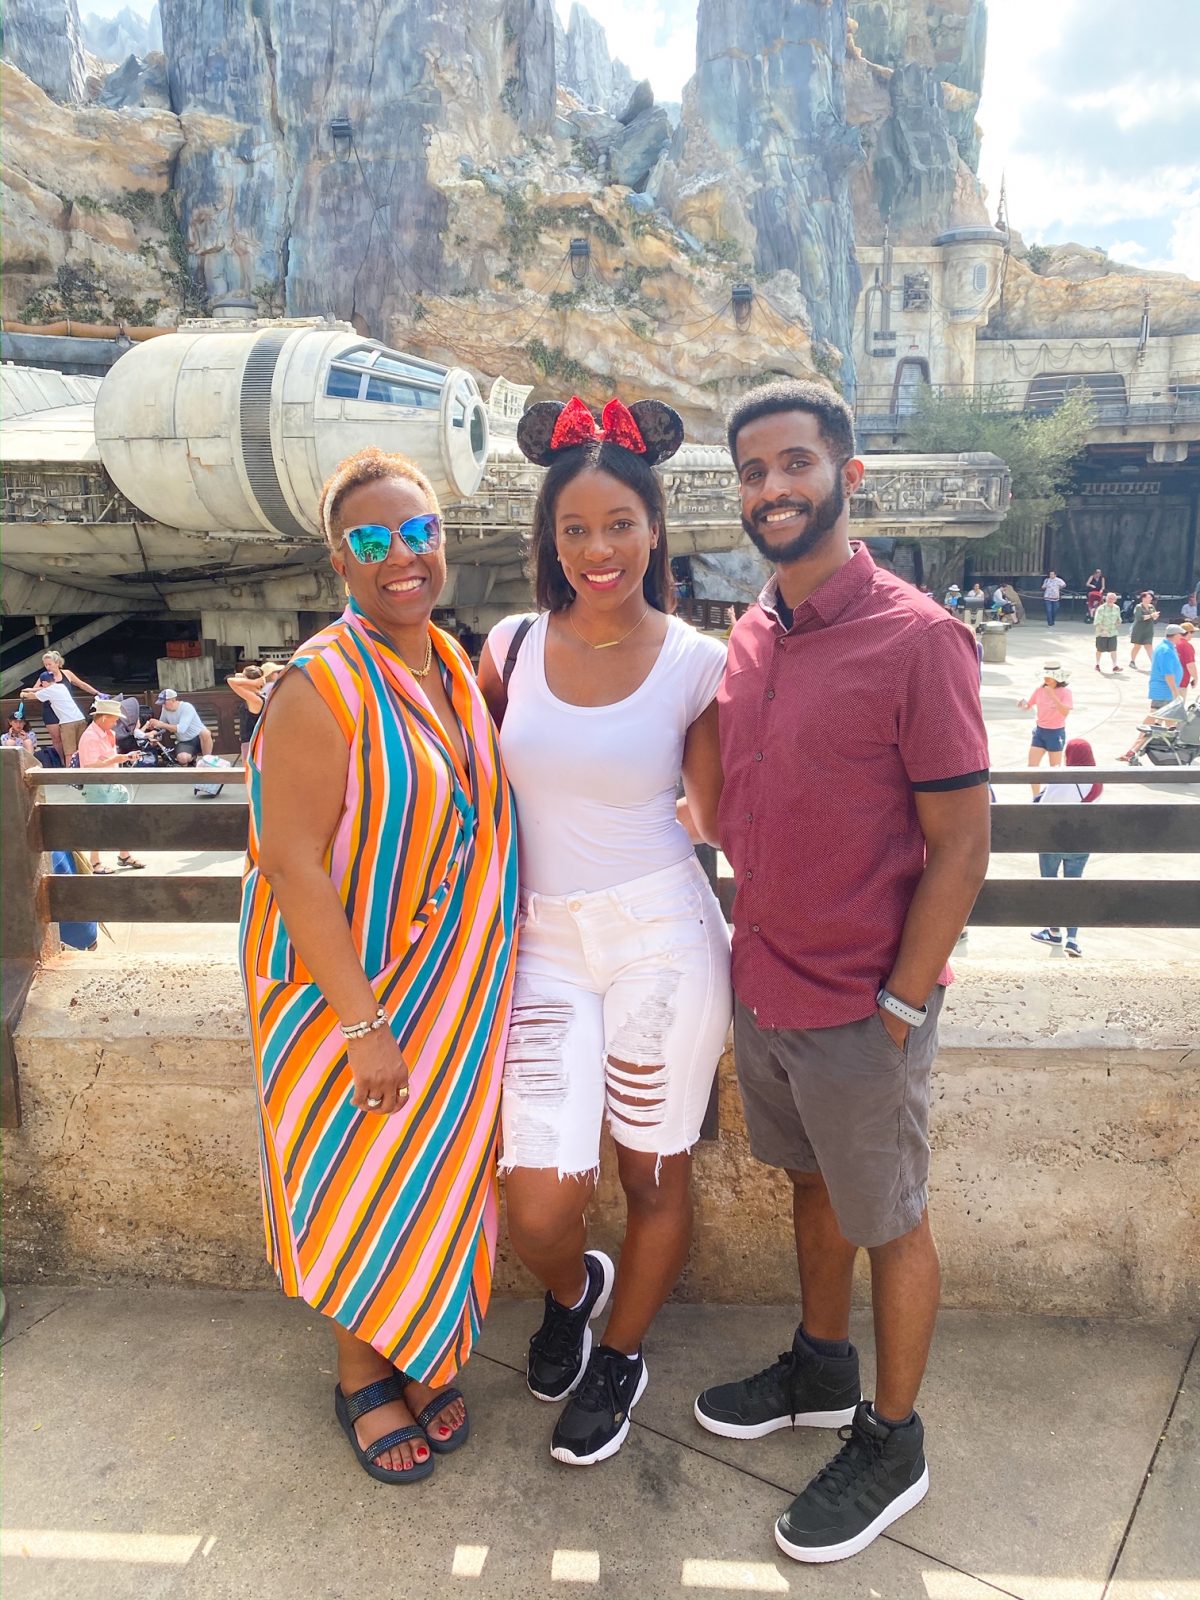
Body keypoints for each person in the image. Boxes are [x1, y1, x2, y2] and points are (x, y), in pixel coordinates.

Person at [696, 380, 989, 1564]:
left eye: (796, 463)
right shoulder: (754, 628)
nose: (774, 487)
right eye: (754, 471)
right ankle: (821, 1367)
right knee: (810, 1185)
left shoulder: (921, 638)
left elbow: (963, 844)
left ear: (847, 475)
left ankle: (894, 1436)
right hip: (765, 982)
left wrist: (904, 1002)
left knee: (892, 1218)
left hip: (867, 1003)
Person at [240, 446, 518, 1486]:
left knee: (434, 1177)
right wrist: (362, 1022)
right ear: (339, 563)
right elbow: (291, 862)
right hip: (345, 998)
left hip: (450, 994)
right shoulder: (319, 683)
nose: (402, 555)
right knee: (359, 1181)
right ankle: (361, 1366)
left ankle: (419, 1347)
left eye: (418, 532)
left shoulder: (451, 662)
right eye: (372, 540)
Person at [477, 396, 731, 1469]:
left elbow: (721, 816)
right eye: (575, 529)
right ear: (549, 540)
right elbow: (466, 790)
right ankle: (578, 1286)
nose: (598, 549)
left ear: (655, 527)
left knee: (653, 1176)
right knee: (535, 1201)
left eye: (619, 523)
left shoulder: (698, 662)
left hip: (660, 939)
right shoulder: (509, 646)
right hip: (540, 945)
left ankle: (620, 1354)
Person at [1030, 738, 1102, 959]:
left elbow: (1045, 808)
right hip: (1081, 843)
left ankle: (1053, 931)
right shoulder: (1097, 780)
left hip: (1054, 841)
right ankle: (1073, 938)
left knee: (1050, 884)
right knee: (1073, 886)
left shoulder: (1061, 778)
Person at [76, 698, 146, 874]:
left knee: (123, 818)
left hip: (112, 782)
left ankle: (124, 854)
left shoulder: (108, 734)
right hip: (97, 785)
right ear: (104, 718)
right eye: (114, 719)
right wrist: (115, 760)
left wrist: (124, 757)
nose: (116, 723)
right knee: (98, 823)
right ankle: (94, 862)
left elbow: (108, 759)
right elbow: (89, 766)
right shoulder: (90, 736)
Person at [31, 648, 97, 760]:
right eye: (45, 665)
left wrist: (96, 692)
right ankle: (62, 760)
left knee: (73, 737)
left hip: (66, 710)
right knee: (57, 738)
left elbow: (81, 684)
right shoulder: (44, 676)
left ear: (57, 663)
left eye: (50, 664)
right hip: (50, 709)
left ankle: (77, 760)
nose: (48, 667)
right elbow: (35, 690)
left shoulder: (66, 673)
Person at [1018, 663, 1073, 792]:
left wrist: (1052, 696)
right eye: (1045, 676)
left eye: (1050, 676)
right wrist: (1023, 704)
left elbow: (1065, 712)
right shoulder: (1039, 690)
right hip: (1040, 731)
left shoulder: (1065, 692)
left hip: (1056, 733)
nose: (1046, 679)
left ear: (1058, 678)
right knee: (1032, 767)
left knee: (1054, 770)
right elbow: (1029, 705)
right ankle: (1036, 797)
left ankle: (1051, 798)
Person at [145, 688, 212, 764]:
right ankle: (192, 758)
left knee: (205, 732)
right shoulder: (165, 709)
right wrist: (153, 732)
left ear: (173, 700)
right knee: (182, 758)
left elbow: (181, 729)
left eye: (164, 703)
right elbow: (161, 727)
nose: (163, 706)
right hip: (185, 741)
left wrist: (160, 724)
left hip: (198, 738)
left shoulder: (186, 707)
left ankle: (207, 761)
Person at [226, 664, 267, 760]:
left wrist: (253, 682)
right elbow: (236, 677)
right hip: (253, 741)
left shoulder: (254, 699)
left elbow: (230, 681)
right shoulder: (257, 694)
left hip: (251, 742)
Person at [1147, 624, 1184, 711]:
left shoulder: (1167, 647)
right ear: (1175, 635)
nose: (1181, 637)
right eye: (1180, 634)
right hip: (1163, 691)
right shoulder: (1166, 650)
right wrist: (1175, 692)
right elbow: (1168, 674)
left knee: (1170, 719)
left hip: (1166, 691)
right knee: (1154, 716)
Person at [1092, 592, 1124, 674]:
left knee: (1113, 649)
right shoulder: (1101, 608)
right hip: (1102, 632)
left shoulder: (1117, 608)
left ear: (1115, 600)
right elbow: (1097, 622)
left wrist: (1119, 621)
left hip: (1113, 632)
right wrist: (1103, 629)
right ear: (1106, 599)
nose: (1111, 600)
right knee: (1099, 650)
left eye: (1113, 599)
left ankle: (1115, 666)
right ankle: (1097, 664)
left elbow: (1118, 618)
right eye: (1109, 598)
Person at [1128, 591, 1159, 670]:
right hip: (1139, 629)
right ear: (1143, 598)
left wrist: (1155, 616)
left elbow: (1154, 618)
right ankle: (1132, 661)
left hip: (1149, 629)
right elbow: (1139, 618)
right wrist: (1151, 615)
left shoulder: (1151, 606)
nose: (1151, 599)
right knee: (1137, 646)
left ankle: (1154, 664)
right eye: (1149, 597)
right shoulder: (1139, 607)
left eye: (1151, 597)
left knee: (1149, 646)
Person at [1174, 622, 1196, 702]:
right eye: (1192, 632)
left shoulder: (1173, 643)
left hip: (1169, 679)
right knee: (1178, 707)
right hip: (1182, 680)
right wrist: (1195, 678)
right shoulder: (1187, 646)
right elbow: (1190, 665)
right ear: (1188, 633)